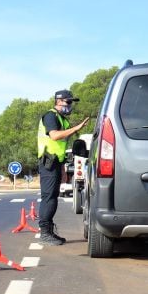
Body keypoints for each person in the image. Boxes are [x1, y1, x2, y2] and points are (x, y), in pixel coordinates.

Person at [37, 89, 89, 245]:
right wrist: (76, 129)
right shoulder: (51, 116)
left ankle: (49, 231)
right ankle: (45, 233)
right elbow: (54, 135)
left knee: (53, 198)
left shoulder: (61, 119)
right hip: (48, 162)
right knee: (48, 198)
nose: (70, 105)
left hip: (55, 163)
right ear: (59, 101)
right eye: (68, 102)